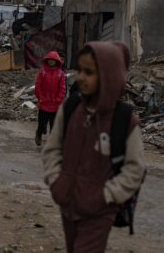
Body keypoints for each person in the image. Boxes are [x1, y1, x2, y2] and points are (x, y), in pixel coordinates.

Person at [41, 42, 145, 253]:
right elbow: (52, 148)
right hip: (68, 204)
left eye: (89, 72)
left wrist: (106, 195)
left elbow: (135, 169)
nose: (81, 77)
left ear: (108, 75)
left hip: (99, 212)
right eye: (79, 70)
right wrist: (56, 181)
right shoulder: (71, 109)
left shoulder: (124, 120)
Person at [35, 51, 67, 146]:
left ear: (57, 61)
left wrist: (59, 99)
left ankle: (52, 142)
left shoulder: (61, 74)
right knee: (41, 123)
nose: (51, 62)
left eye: (53, 61)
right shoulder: (43, 71)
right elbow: (38, 85)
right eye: (50, 60)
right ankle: (39, 134)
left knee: (53, 126)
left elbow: (62, 88)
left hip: (55, 104)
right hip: (44, 103)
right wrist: (40, 97)